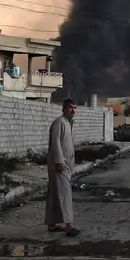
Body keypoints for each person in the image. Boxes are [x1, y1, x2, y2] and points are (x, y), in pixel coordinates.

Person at [44, 98, 81, 237]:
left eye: (75, 107)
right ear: (64, 109)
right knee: (65, 195)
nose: (73, 110)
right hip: (60, 166)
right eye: (70, 107)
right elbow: (55, 144)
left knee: (55, 195)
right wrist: (59, 162)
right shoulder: (59, 123)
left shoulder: (69, 123)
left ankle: (52, 224)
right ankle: (69, 226)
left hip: (66, 165)